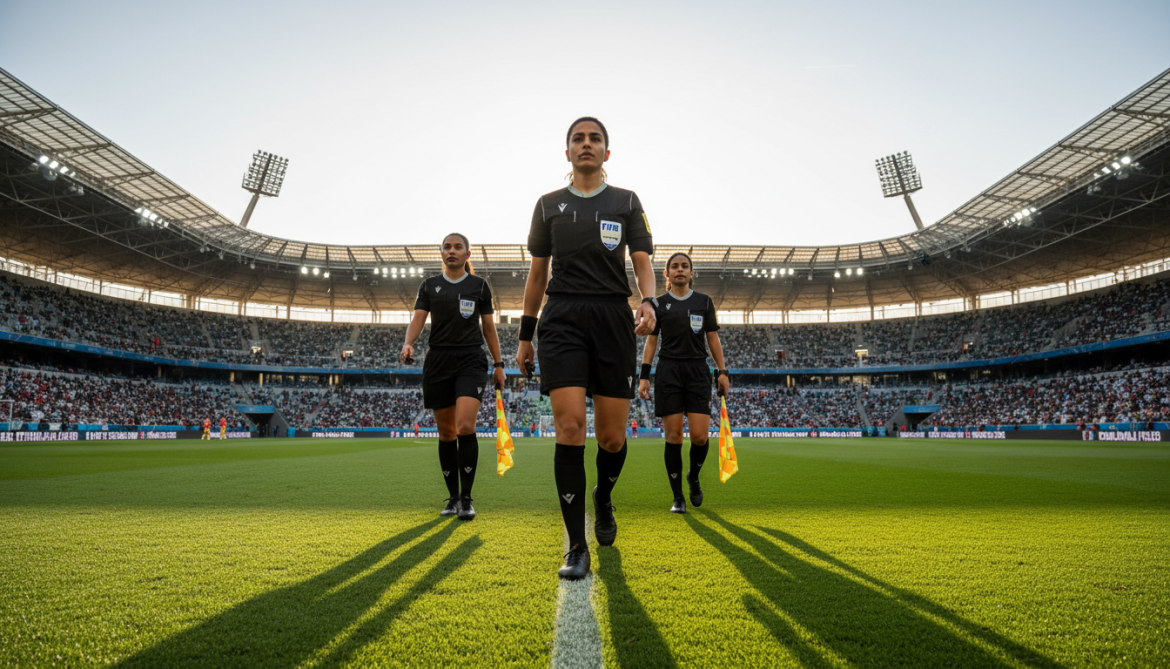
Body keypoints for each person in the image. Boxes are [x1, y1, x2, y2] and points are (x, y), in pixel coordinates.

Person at [515, 117, 656, 580]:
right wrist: (524, 335)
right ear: (568, 152)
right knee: (571, 425)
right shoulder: (547, 205)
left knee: (613, 439)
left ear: (607, 153)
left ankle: (604, 497)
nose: (587, 144)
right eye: (579, 138)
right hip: (563, 319)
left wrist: (649, 301)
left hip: (614, 317)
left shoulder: (627, 201)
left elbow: (641, 261)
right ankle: (576, 546)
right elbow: (538, 275)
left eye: (595, 139)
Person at [402, 233, 506, 522]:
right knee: (446, 433)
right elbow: (419, 319)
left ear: (467, 254)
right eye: (447, 247)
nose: (452, 251)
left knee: (464, 426)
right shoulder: (429, 286)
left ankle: (468, 499)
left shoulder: (479, 286)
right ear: (442, 254)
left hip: (471, 361)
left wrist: (499, 364)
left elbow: (489, 328)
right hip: (438, 361)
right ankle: (453, 497)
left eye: (457, 247)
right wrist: (408, 342)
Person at [638, 252, 728, 514]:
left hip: (698, 370)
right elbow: (651, 342)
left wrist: (722, 371)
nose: (680, 270)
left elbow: (712, 338)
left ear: (691, 273)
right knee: (674, 436)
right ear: (666, 274)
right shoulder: (658, 304)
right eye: (674, 266)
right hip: (669, 371)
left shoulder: (704, 302)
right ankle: (678, 497)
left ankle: (694, 476)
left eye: (684, 266)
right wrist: (644, 375)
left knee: (700, 437)